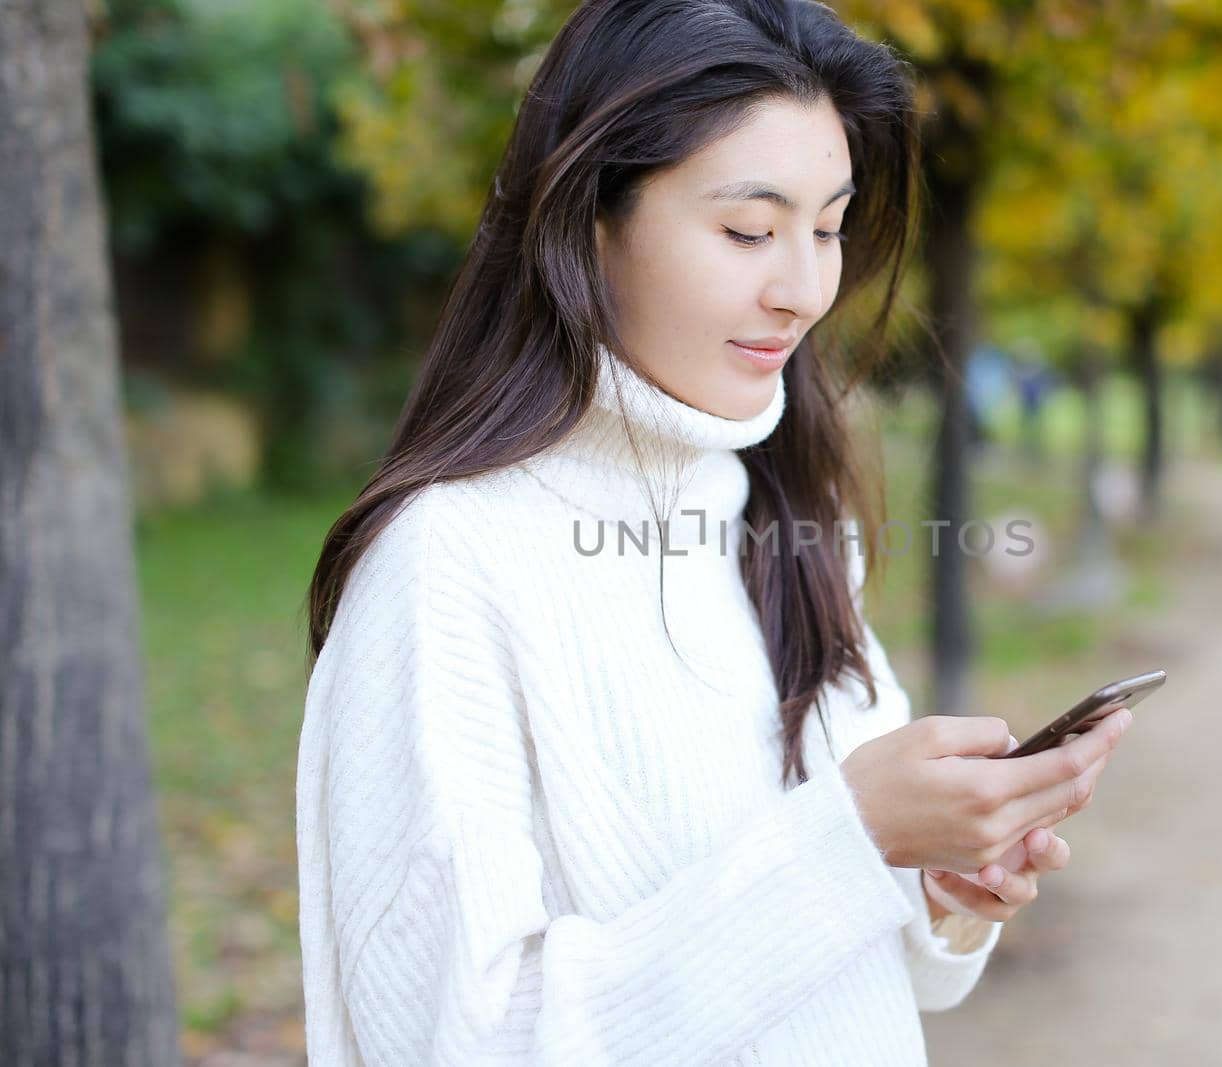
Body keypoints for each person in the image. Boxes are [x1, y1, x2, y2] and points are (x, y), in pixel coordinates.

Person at [295, 2, 1132, 1063]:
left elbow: (879, 970)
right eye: (748, 230)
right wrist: (849, 836)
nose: (801, 291)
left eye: (826, 229)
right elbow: (450, 1037)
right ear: (589, 217)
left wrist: (938, 880)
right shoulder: (447, 566)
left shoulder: (788, 519)